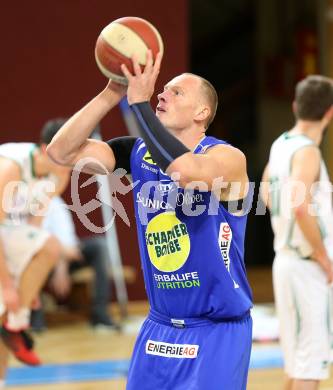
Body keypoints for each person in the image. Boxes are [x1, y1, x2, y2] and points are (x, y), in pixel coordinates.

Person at [47, 51, 253, 389]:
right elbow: (61, 152)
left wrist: (140, 105)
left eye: (177, 92)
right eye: (163, 90)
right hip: (160, 326)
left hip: (216, 328)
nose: (162, 94)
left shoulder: (226, 158)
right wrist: (112, 93)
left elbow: (187, 172)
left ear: (202, 112)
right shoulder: (137, 153)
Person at [261, 75, 333, 390]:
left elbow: (265, 191)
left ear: (294, 106)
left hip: (286, 261)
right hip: (306, 266)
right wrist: (322, 256)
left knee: (297, 363)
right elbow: (301, 206)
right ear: (330, 112)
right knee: (310, 367)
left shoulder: (281, 144)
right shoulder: (308, 152)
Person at [0, 119, 71, 373]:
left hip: (7, 232)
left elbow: (34, 232)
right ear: (45, 149)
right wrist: (9, 286)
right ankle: (14, 324)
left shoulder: (60, 172)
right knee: (10, 305)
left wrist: (28, 283)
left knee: (8, 316)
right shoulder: (11, 167)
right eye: (65, 154)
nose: (70, 163)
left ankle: (14, 326)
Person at [31, 195, 119, 331]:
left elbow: (69, 245)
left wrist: (61, 267)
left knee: (99, 246)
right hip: (36, 261)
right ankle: (35, 321)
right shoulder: (15, 202)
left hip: (64, 258)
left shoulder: (54, 202)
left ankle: (100, 315)